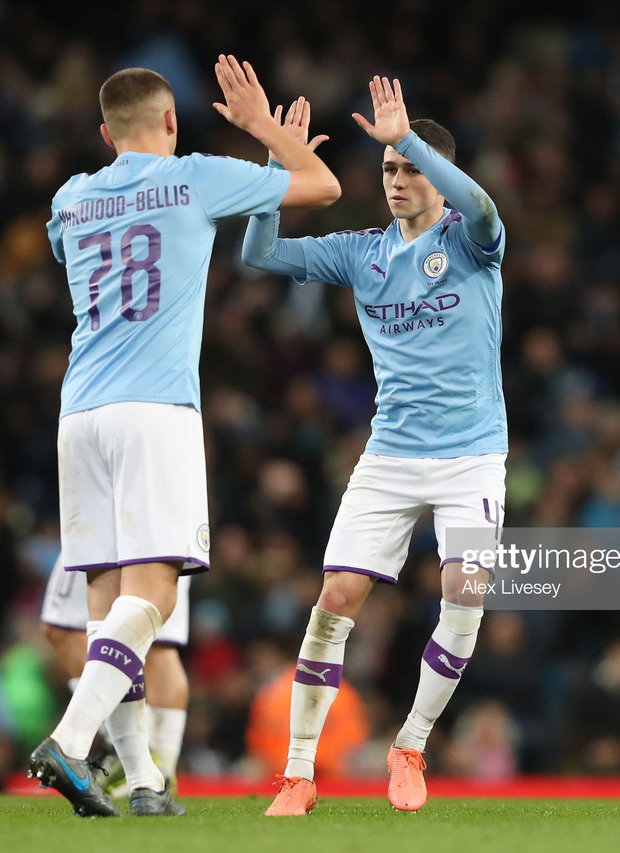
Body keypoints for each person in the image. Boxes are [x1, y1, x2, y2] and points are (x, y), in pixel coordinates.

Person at [27, 56, 340, 819]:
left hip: (79, 415)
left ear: (105, 134)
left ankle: (142, 781)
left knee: (107, 608)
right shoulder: (197, 176)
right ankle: (69, 739)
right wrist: (265, 132)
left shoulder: (72, 197)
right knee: (155, 595)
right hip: (155, 409)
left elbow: (68, 250)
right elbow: (323, 185)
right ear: (171, 122)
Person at [242, 78, 507, 815]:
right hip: (390, 453)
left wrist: (409, 137)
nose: (396, 179)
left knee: (466, 590)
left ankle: (410, 744)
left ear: (436, 173)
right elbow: (259, 253)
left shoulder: (471, 239)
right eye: (388, 168)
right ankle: (298, 772)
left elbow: (483, 204)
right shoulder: (363, 253)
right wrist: (274, 167)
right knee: (335, 597)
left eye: (410, 167)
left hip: (472, 453)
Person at [40, 557, 191, 794]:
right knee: (157, 642)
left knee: (66, 627)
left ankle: (132, 753)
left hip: (115, 524)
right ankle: (158, 776)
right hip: (174, 526)